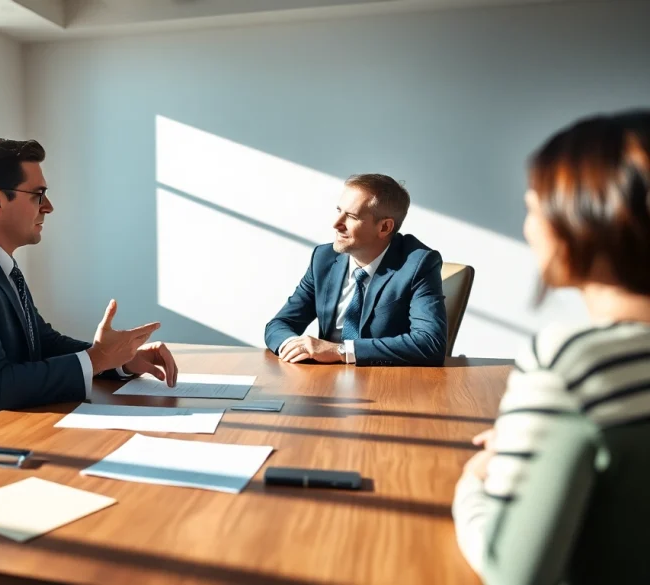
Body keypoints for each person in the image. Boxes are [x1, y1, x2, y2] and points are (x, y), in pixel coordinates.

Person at [453, 111, 650, 580]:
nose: (529, 227)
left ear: (585, 217)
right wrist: (540, 439)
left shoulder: (576, 364)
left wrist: (475, 478)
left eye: (535, 206)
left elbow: (511, 570)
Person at [0, 139, 178, 450]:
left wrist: (119, 359)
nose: (48, 206)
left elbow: (41, 343)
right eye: (38, 195)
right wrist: (97, 358)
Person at [264, 174, 447, 366]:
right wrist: (294, 346)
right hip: (324, 381)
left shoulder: (418, 264)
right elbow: (279, 325)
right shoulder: (323, 258)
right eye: (338, 211)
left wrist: (340, 351)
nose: (336, 224)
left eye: (351, 216)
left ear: (384, 227)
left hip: (387, 383)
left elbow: (430, 343)